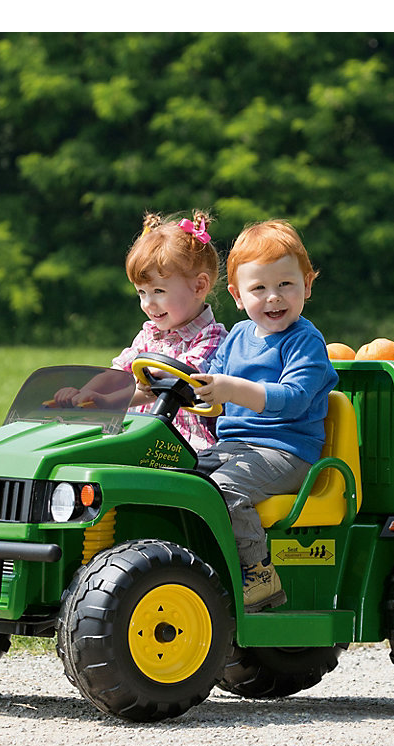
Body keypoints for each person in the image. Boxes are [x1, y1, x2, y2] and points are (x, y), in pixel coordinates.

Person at [193, 219, 337, 612]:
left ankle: (258, 575)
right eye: (259, 288)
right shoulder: (238, 336)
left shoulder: (305, 341)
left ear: (307, 284)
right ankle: (199, 573)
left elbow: (294, 399)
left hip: (287, 452)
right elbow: (214, 394)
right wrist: (196, 393)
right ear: (238, 295)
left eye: (285, 284)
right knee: (179, 481)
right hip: (236, 447)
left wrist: (232, 390)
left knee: (223, 489)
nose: (273, 297)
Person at [54, 211, 227, 452]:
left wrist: (109, 402)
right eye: (141, 293)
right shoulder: (150, 333)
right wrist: (84, 394)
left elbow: (170, 384)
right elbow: (118, 373)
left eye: (158, 291)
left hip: (186, 445)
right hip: (140, 434)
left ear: (199, 286)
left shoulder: (213, 338)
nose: (147, 304)